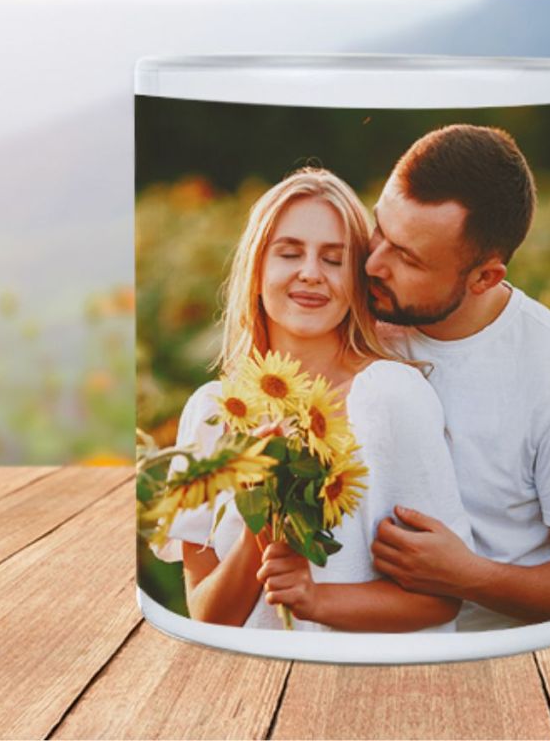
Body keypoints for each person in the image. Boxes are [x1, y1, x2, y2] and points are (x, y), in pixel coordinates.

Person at [152, 167, 474, 632]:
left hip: (368, 686)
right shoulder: (212, 413)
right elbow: (206, 616)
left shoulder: (390, 396)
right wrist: (256, 530)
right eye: (289, 253)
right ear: (257, 272)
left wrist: (316, 598)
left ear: (357, 280)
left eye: (333, 259)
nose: (310, 273)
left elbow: (441, 600)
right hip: (254, 691)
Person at [366, 124, 550, 631]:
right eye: (378, 230)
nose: (372, 262)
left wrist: (467, 577)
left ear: (485, 277)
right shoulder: (356, 310)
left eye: (407, 257)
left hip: (492, 656)